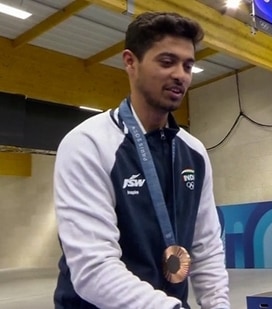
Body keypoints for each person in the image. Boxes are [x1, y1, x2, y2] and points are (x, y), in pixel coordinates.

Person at [52, 12, 230, 309]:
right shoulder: (88, 144)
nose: (181, 75)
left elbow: (207, 247)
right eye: (167, 61)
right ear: (130, 62)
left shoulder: (194, 152)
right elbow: (93, 268)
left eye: (188, 65)